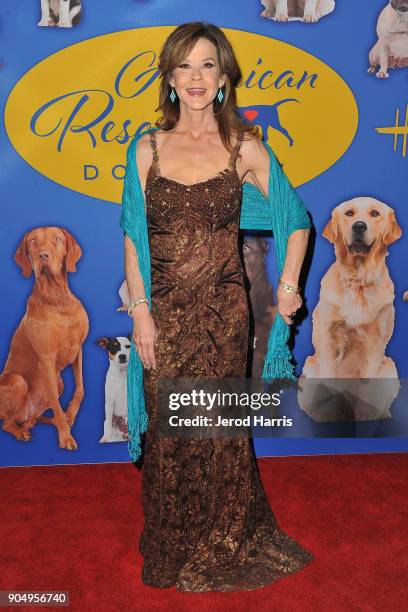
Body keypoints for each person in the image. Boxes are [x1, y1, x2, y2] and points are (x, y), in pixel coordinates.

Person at [121, 21, 313, 592]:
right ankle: (172, 537)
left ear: (224, 76)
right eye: (184, 65)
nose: (196, 77)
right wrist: (140, 311)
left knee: (214, 428)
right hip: (165, 313)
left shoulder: (243, 146)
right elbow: (132, 235)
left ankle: (225, 535)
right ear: (170, 78)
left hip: (223, 315)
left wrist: (286, 289)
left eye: (207, 64)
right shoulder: (147, 147)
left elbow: (294, 218)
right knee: (168, 427)